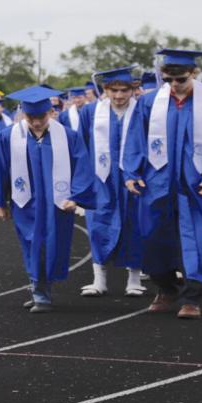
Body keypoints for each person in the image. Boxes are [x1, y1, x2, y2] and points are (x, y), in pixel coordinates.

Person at [129, 48, 202, 320]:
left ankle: (192, 298)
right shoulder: (149, 102)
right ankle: (166, 287)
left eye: (181, 80)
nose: (174, 86)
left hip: (197, 182)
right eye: (168, 80)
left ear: (194, 74)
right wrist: (131, 173)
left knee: (199, 238)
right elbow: (135, 139)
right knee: (152, 236)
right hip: (157, 180)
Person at [0, 85, 97, 313]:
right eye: (31, 117)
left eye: (41, 116)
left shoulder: (68, 136)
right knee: (30, 244)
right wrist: (0, 201)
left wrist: (76, 196)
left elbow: (82, 167)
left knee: (52, 245)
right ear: (22, 113)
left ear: (51, 112)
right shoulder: (8, 137)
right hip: (25, 202)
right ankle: (39, 291)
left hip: (57, 203)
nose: (37, 122)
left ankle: (42, 289)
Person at [79, 66, 148, 298]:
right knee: (98, 224)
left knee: (134, 224)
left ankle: (134, 280)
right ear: (105, 89)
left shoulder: (143, 111)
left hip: (134, 178)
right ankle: (99, 280)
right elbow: (82, 147)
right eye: (114, 90)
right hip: (101, 178)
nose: (119, 96)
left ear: (133, 90)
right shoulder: (89, 113)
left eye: (124, 90)